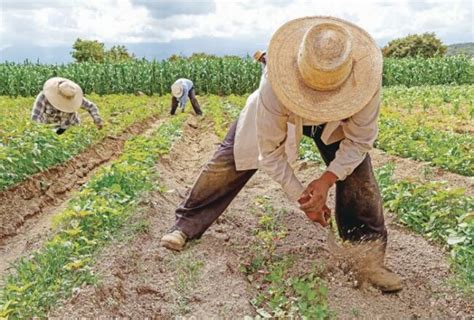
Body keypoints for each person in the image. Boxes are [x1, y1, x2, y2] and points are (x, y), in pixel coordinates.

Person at [161, 17, 402, 292]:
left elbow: (359, 142)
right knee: (228, 161)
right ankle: (185, 225)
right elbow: (270, 154)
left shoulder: (365, 83)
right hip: (285, 113)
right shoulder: (274, 87)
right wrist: (304, 198)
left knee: (360, 180)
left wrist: (325, 181)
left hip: (338, 125)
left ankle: (368, 261)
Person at [31, 77, 103, 134]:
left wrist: (97, 120)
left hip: (71, 128)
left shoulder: (73, 96)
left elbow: (91, 107)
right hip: (51, 131)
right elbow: (35, 117)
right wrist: (41, 133)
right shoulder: (44, 97)